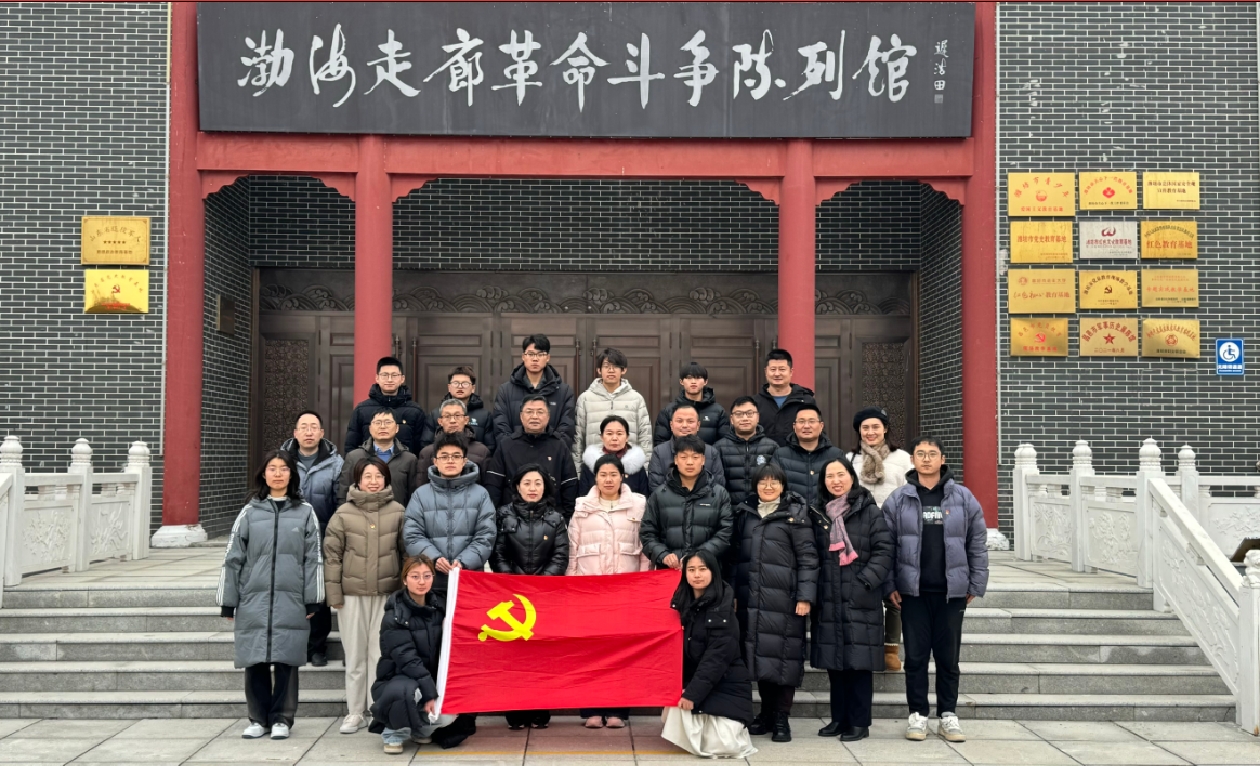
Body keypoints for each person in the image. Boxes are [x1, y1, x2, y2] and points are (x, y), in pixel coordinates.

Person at [883, 437, 989, 744]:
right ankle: (917, 714)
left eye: (932, 454)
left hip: (950, 593)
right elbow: (886, 546)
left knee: (947, 658)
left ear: (943, 459)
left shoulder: (963, 497)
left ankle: (948, 715)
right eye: (921, 454)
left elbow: (977, 543)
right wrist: (889, 584)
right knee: (915, 657)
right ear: (912, 460)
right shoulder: (899, 499)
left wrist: (975, 583)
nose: (926, 459)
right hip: (913, 592)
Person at [217, 450, 323, 741]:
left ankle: (282, 719)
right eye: (272, 468)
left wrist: (313, 598)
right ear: (263, 474)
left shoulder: (305, 512)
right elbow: (232, 558)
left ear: (292, 475)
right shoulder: (249, 512)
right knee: (256, 660)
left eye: (283, 469)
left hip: (292, 599)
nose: (278, 474)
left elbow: (314, 559)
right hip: (254, 598)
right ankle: (258, 718)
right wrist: (228, 601)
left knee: (286, 660)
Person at [728, 462, 818, 743]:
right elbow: (734, 558)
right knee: (760, 657)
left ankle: (781, 717)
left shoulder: (795, 515)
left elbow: (808, 558)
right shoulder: (745, 513)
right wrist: (732, 594)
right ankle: (766, 714)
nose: (768, 487)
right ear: (755, 485)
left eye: (774, 482)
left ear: (782, 485)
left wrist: (805, 596)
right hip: (751, 599)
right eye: (763, 482)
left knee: (784, 659)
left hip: (784, 600)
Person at [808, 457, 894, 743]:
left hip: (861, 597)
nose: (835, 480)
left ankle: (859, 721)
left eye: (840, 474)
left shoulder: (868, 510)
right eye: (829, 476)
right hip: (829, 596)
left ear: (851, 477)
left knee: (858, 663)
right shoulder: (817, 513)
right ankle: (839, 718)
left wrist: (865, 581)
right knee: (835, 663)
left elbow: (884, 550)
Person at [568, 453, 650, 729]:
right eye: (602, 474)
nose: (608, 479)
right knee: (590, 651)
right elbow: (572, 549)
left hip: (625, 591)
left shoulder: (638, 505)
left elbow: (644, 551)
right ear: (595, 478)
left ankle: (618, 711)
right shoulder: (582, 507)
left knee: (621, 651)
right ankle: (591, 710)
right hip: (589, 591)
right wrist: (571, 585)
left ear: (622, 476)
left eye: (613, 474)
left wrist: (642, 585)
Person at [324, 456, 405, 735]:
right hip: (352, 595)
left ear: (386, 479)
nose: (373, 481)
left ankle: (376, 710)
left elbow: (406, 554)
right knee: (355, 654)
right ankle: (355, 712)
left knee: (379, 654)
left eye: (378, 476)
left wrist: (403, 594)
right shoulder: (343, 513)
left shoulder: (399, 511)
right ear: (357, 480)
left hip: (387, 594)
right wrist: (334, 594)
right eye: (367, 476)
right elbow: (332, 557)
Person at [491, 464, 570, 730]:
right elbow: (498, 553)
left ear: (545, 487)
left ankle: (539, 708)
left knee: (541, 654)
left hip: (545, 595)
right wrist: (513, 582)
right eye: (527, 483)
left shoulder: (556, 518)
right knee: (513, 653)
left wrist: (540, 584)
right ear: (517, 486)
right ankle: (515, 709)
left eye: (538, 483)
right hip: (511, 596)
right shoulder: (503, 515)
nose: (532, 488)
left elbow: (561, 555)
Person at [661, 549, 757, 760]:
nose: (697, 575)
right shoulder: (681, 604)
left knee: (723, 744)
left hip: (725, 683)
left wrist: (692, 694)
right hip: (697, 679)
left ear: (713, 572)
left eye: (703, 569)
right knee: (678, 717)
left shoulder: (722, 609)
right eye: (691, 570)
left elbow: (716, 660)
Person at [369, 555, 463, 753]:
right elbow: (408, 660)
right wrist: (429, 693)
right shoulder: (395, 615)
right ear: (405, 580)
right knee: (406, 692)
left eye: (427, 576)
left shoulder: (440, 606)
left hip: (428, 677)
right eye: (415, 576)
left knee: (449, 714)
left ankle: (419, 730)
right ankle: (393, 733)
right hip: (398, 677)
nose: (421, 582)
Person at [846, 406, 914, 672]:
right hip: (859, 533)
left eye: (876, 427)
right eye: (865, 428)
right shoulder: (850, 459)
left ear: (885, 429)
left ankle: (890, 649)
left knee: (892, 590)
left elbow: (910, 495)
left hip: (893, 531)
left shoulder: (903, 459)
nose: (870, 432)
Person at [279, 410, 343, 668]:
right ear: (295, 433)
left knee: (318, 592)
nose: (308, 432)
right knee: (290, 591)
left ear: (321, 433)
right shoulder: (282, 462)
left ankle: (317, 647)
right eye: (303, 427)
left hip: (323, 534)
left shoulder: (336, 464)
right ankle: (293, 645)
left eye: (313, 427)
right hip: (288, 535)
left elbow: (340, 503)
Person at [402, 431, 497, 596]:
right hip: (430, 579)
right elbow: (412, 535)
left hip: (469, 578)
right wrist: (434, 558)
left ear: (464, 461)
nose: (450, 460)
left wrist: (464, 561)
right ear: (435, 461)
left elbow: (486, 535)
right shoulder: (421, 495)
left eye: (456, 456)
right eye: (444, 456)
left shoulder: (480, 494)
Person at [641, 434, 734, 571]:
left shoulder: (719, 494)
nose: (689, 462)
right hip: (669, 570)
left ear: (703, 460)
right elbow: (647, 533)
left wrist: (698, 556)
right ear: (676, 460)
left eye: (695, 457)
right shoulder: (660, 495)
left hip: (706, 569)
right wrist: (663, 554)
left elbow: (725, 533)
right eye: (684, 457)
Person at [485, 394, 579, 517]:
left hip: (551, 518)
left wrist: (567, 518)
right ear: (521, 416)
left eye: (540, 412)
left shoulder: (559, 445)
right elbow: (493, 485)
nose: (534, 416)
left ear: (548, 416)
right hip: (512, 518)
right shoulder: (507, 445)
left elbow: (569, 485)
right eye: (529, 412)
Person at [572, 347, 653, 469]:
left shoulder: (636, 399)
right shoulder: (585, 399)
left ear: (623, 370)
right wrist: (578, 472)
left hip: (629, 469)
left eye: (615, 366)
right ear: (599, 370)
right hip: (595, 469)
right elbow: (578, 439)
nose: (611, 370)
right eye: (606, 366)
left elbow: (645, 438)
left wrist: (644, 470)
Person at [493, 334, 576, 448]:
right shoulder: (505, 391)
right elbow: (501, 428)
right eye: (531, 354)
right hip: (515, 454)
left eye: (540, 354)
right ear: (523, 356)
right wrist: (514, 452)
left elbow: (566, 430)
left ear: (548, 357)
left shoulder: (564, 392)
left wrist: (550, 452)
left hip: (551, 455)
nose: (535, 359)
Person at [345, 356, 428, 454]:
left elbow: (420, 448)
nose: (389, 379)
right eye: (385, 375)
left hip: (404, 463)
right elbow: (351, 446)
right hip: (368, 462)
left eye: (394, 375)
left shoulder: (415, 411)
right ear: (377, 378)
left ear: (402, 379)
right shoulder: (362, 410)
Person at [339, 409, 420, 505]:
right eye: (377, 423)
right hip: (360, 513)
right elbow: (343, 494)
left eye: (388, 422)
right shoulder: (354, 457)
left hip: (397, 513)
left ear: (397, 428)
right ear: (370, 428)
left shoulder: (409, 459)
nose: (382, 426)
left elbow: (414, 496)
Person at [772, 403, 843, 512]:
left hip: (827, 517)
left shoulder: (836, 455)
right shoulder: (780, 455)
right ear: (794, 426)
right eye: (801, 421)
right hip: (791, 517)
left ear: (821, 426)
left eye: (811, 421)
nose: (806, 426)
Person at [713, 396, 778, 508]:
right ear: (731, 419)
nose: (744, 418)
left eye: (749, 413)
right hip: (729, 510)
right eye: (739, 414)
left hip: (762, 510)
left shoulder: (772, 447)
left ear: (758, 417)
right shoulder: (719, 448)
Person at [647, 403, 726, 493]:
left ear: (698, 425)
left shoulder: (711, 453)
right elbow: (656, 489)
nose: (684, 425)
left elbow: (718, 489)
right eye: (679, 421)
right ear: (671, 425)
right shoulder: (659, 452)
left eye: (690, 421)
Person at [653, 361, 731, 446]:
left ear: (705, 381)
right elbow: (660, 443)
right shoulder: (669, 410)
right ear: (681, 381)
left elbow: (725, 444)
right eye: (689, 378)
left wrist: (709, 453)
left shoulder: (718, 411)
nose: (693, 381)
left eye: (698, 378)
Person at [415, 399, 491, 486]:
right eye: (447, 416)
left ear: (466, 420)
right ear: (440, 421)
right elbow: (421, 487)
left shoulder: (481, 451)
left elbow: (488, 487)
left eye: (457, 416)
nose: (452, 421)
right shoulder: (427, 453)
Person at [753, 349, 818, 447]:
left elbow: (818, 433)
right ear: (766, 372)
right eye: (773, 369)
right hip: (765, 456)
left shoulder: (806, 401)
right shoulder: (755, 403)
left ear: (791, 372)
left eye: (782, 369)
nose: (777, 374)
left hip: (797, 455)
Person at [421, 366, 495, 452]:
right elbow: (426, 445)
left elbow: (490, 448)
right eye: (455, 383)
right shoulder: (435, 414)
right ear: (449, 387)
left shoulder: (484, 416)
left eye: (465, 383)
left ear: (473, 388)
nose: (460, 387)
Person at [577, 414, 649, 497]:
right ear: (602, 437)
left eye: (619, 433)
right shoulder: (590, 464)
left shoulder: (636, 465)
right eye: (609, 433)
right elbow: (583, 497)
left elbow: (644, 497)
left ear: (627, 437)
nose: (614, 438)